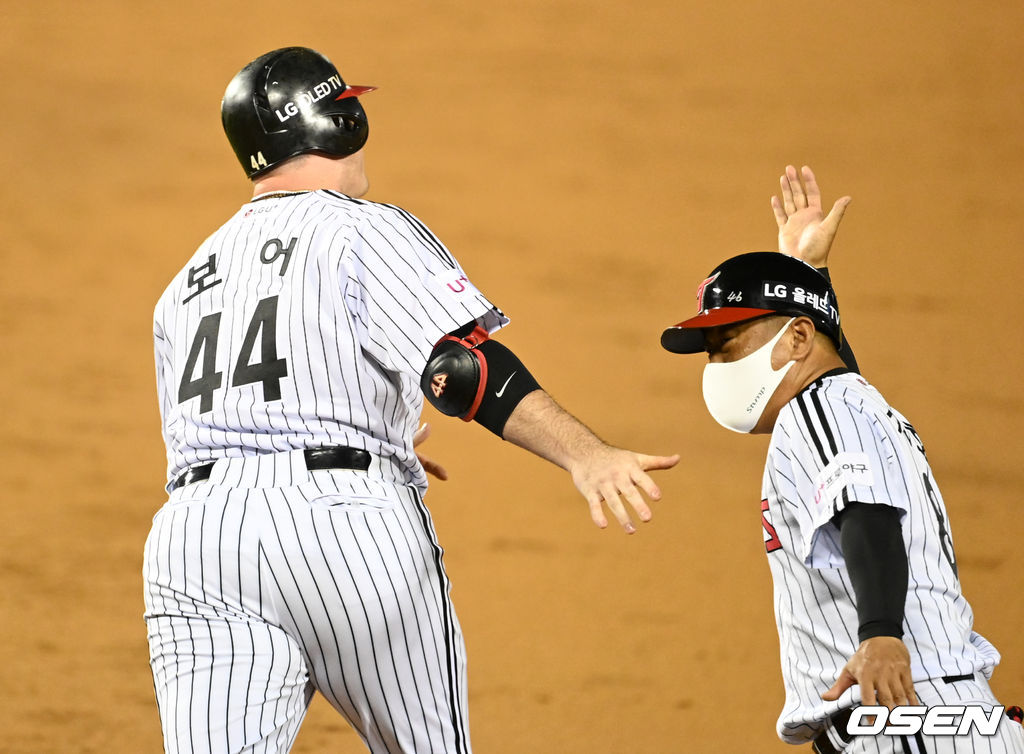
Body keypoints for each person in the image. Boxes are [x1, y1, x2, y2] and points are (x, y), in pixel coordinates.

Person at [144, 46, 678, 754]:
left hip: (196, 541)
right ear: (331, 123)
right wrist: (586, 454)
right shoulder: (359, 226)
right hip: (341, 530)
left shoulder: (184, 283)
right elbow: (459, 370)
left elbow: (229, 421)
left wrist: (379, 438)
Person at [660, 166, 1024, 753]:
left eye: (729, 343)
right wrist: (811, 275)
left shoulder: (818, 413)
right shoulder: (843, 404)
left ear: (799, 339)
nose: (718, 364)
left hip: (905, 718)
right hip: (929, 717)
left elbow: (867, 514)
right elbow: (833, 365)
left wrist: (881, 634)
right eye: (711, 351)